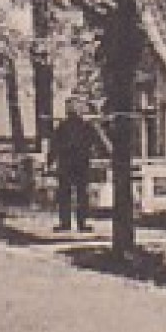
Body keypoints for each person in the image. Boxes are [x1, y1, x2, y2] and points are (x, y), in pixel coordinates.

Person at [48, 100, 109, 233]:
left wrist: (50, 161)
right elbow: (98, 143)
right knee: (81, 194)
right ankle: (81, 223)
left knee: (65, 194)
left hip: (67, 164)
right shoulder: (85, 126)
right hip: (80, 163)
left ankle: (65, 223)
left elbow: (54, 146)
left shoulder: (62, 127)